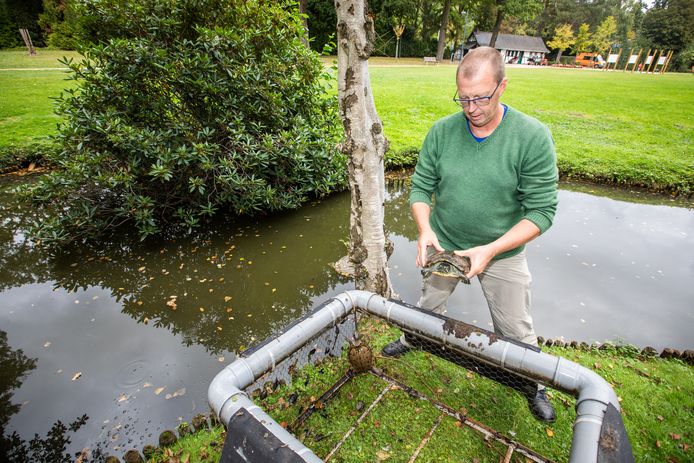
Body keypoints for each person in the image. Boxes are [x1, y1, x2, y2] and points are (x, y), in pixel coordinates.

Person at [381, 46, 559, 422]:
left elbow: (542, 212)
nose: (471, 108)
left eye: (481, 97)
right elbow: (420, 188)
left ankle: (533, 383)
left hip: (502, 251)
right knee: (428, 306)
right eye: (463, 98)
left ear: (502, 86)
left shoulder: (532, 137)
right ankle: (413, 339)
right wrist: (426, 229)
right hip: (445, 243)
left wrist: (490, 250)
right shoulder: (442, 132)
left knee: (516, 328)